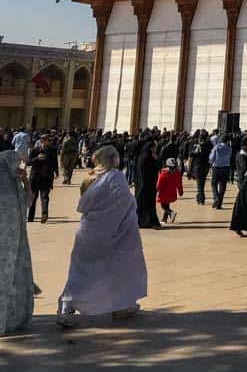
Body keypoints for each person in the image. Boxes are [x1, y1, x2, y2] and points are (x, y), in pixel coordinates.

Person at [58, 146, 147, 328]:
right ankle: (122, 305)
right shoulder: (117, 178)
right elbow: (127, 204)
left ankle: (66, 308)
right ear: (113, 159)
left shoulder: (90, 178)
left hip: (90, 232)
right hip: (117, 233)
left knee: (81, 271)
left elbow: (84, 204)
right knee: (121, 268)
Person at [0, 151, 35, 333]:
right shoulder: (13, 186)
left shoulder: (11, 183)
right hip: (15, 245)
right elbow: (29, 200)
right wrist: (25, 180)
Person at [27, 136, 58, 224]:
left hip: (47, 177)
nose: (47, 142)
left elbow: (55, 162)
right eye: (45, 140)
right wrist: (37, 158)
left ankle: (44, 214)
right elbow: (28, 162)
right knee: (33, 197)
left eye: (48, 141)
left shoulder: (52, 150)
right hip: (35, 178)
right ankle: (30, 217)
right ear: (41, 141)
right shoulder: (35, 150)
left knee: (44, 197)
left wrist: (56, 172)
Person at [134, 140, 161, 229]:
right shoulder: (146, 158)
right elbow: (151, 171)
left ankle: (144, 221)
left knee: (146, 205)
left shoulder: (143, 157)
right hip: (147, 186)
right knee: (147, 205)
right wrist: (156, 160)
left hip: (146, 186)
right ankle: (148, 222)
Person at [156, 158, 184, 224]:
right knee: (167, 205)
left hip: (163, 193)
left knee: (163, 206)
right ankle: (164, 219)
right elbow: (180, 184)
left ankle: (171, 213)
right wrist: (180, 191)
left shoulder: (163, 173)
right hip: (172, 193)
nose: (173, 170)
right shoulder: (178, 173)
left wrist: (156, 190)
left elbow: (159, 183)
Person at [208, 134, 232, 209]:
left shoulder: (216, 147)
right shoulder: (229, 148)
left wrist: (210, 162)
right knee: (223, 185)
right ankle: (219, 203)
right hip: (226, 167)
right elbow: (230, 156)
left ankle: (216, 197)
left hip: (217, 167)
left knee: (213, 183)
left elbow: (212, 158)